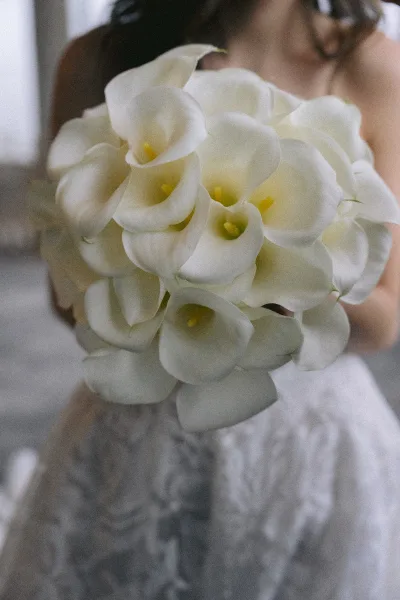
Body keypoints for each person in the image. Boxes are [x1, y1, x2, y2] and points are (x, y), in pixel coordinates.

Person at [1, 1, 400, 598]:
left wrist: (270, 280)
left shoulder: (370, 63)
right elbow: (67, 302)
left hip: (312, 451)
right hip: (141, 435)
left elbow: (384, 321)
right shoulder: (94, 60)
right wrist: (159, 270)